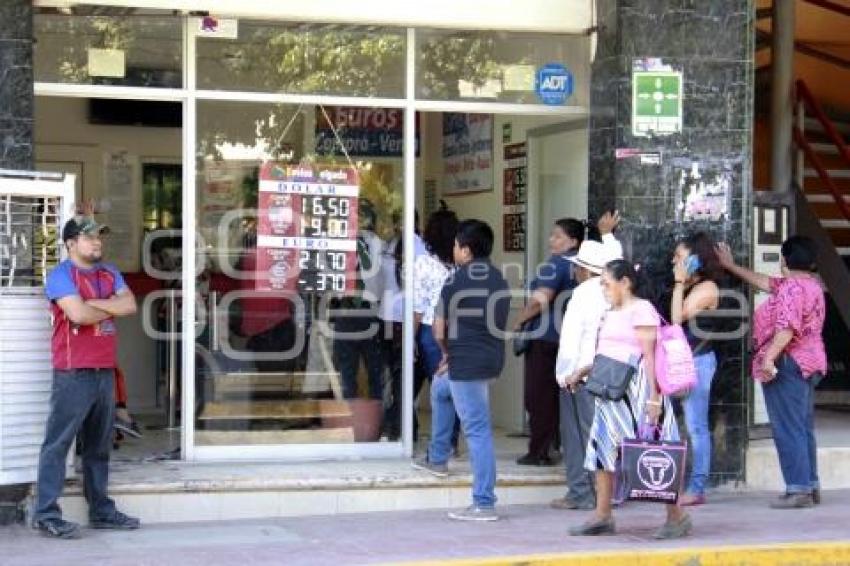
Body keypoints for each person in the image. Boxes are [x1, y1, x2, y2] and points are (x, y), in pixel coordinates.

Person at [33, 215, 141, 539]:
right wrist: (109, 305)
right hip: (72, 372)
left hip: (104, 371)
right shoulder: (60, 276)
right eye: (89, 237)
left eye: (99, 237)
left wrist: (93, 304)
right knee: (58, 444)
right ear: (70, 243)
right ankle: (46, 514)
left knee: (99, 447)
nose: (97, 242)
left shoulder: (110, 272)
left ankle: (101, 511)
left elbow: (131, 305)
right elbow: (77, 314)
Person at [567, 260, 691, 539]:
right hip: (610, 392)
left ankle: (677, 516)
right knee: (602, 452)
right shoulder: (610, 312)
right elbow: (609, 352)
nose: (603, 289)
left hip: (638, 391)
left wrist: (654, 399)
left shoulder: (642, 309)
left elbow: (649, 357)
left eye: (606, 283)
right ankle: (602, 515)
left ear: (625, 283)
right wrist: (583, 371)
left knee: (658, 452)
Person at [716, 237, 826, 509]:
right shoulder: (811, 286)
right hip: (810, 362)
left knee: (787, 427)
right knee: (802, 427)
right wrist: (731, 266)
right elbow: (764, 282)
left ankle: (797, 489)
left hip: (788, 363)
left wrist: (768, 359)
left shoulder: (790, 289)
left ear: (785, 260)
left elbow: (787, 328)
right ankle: (809, 485)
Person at [412, 220, 510, 522]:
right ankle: (438, 457)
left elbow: (438, 327)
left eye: (456, 245)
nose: (453, 250)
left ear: (465, 250)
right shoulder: (499, 279)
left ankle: (484, 502)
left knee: (477, 430)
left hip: (465, 363)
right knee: (441, 390)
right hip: (488, 357)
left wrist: (446, 353)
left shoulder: (456, 280)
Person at [551, 212, 623, 510]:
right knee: (603, 436)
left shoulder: (581, 294)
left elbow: (570, 341)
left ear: (585, 270)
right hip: (609, 373)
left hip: (579, 376)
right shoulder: (616, 290)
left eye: (578, 267)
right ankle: (608, 495)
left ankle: (581, 494)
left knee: (577, 435)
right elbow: (616, 255)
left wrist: (564, 374)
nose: (575, 272)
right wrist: (607, 234)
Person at [512, 218, 586, 465]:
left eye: (558, 236)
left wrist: (519, 320)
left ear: (573, 241)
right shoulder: (582, 266)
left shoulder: (555, 264)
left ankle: (539, 451)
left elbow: (540, 300)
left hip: (544, 338)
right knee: (557, 396)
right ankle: (554, 445)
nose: (551, 240)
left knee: (537, 396)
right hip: (568, 340)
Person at [670, 232, 722, 506]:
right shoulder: (687, 286)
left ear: (696, 259)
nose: (674, 261)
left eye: (680, 256)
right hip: (678, 361)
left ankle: (697, 486)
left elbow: (677, 318)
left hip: (698, 361)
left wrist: (679, 284)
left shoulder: (708, 288)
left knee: (695, 426)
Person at [412, 204, 461, 449]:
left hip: (431, 332)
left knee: (439, 390)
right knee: (454, 389)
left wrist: (410, 338)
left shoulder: (424, 264)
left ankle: (438, 445)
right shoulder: (462, 265)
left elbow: (418, 307)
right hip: (459, 332)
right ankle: (451, 442)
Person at [333, 199, 385, 401]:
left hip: (369, 311)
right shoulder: (337, 245)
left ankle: (376, 421)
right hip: (345, 311)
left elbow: (379, 280)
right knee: (347, 371)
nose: (358, 222)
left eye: (362, 217)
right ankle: (350, 420)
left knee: (375, 370)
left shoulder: (376, 244)